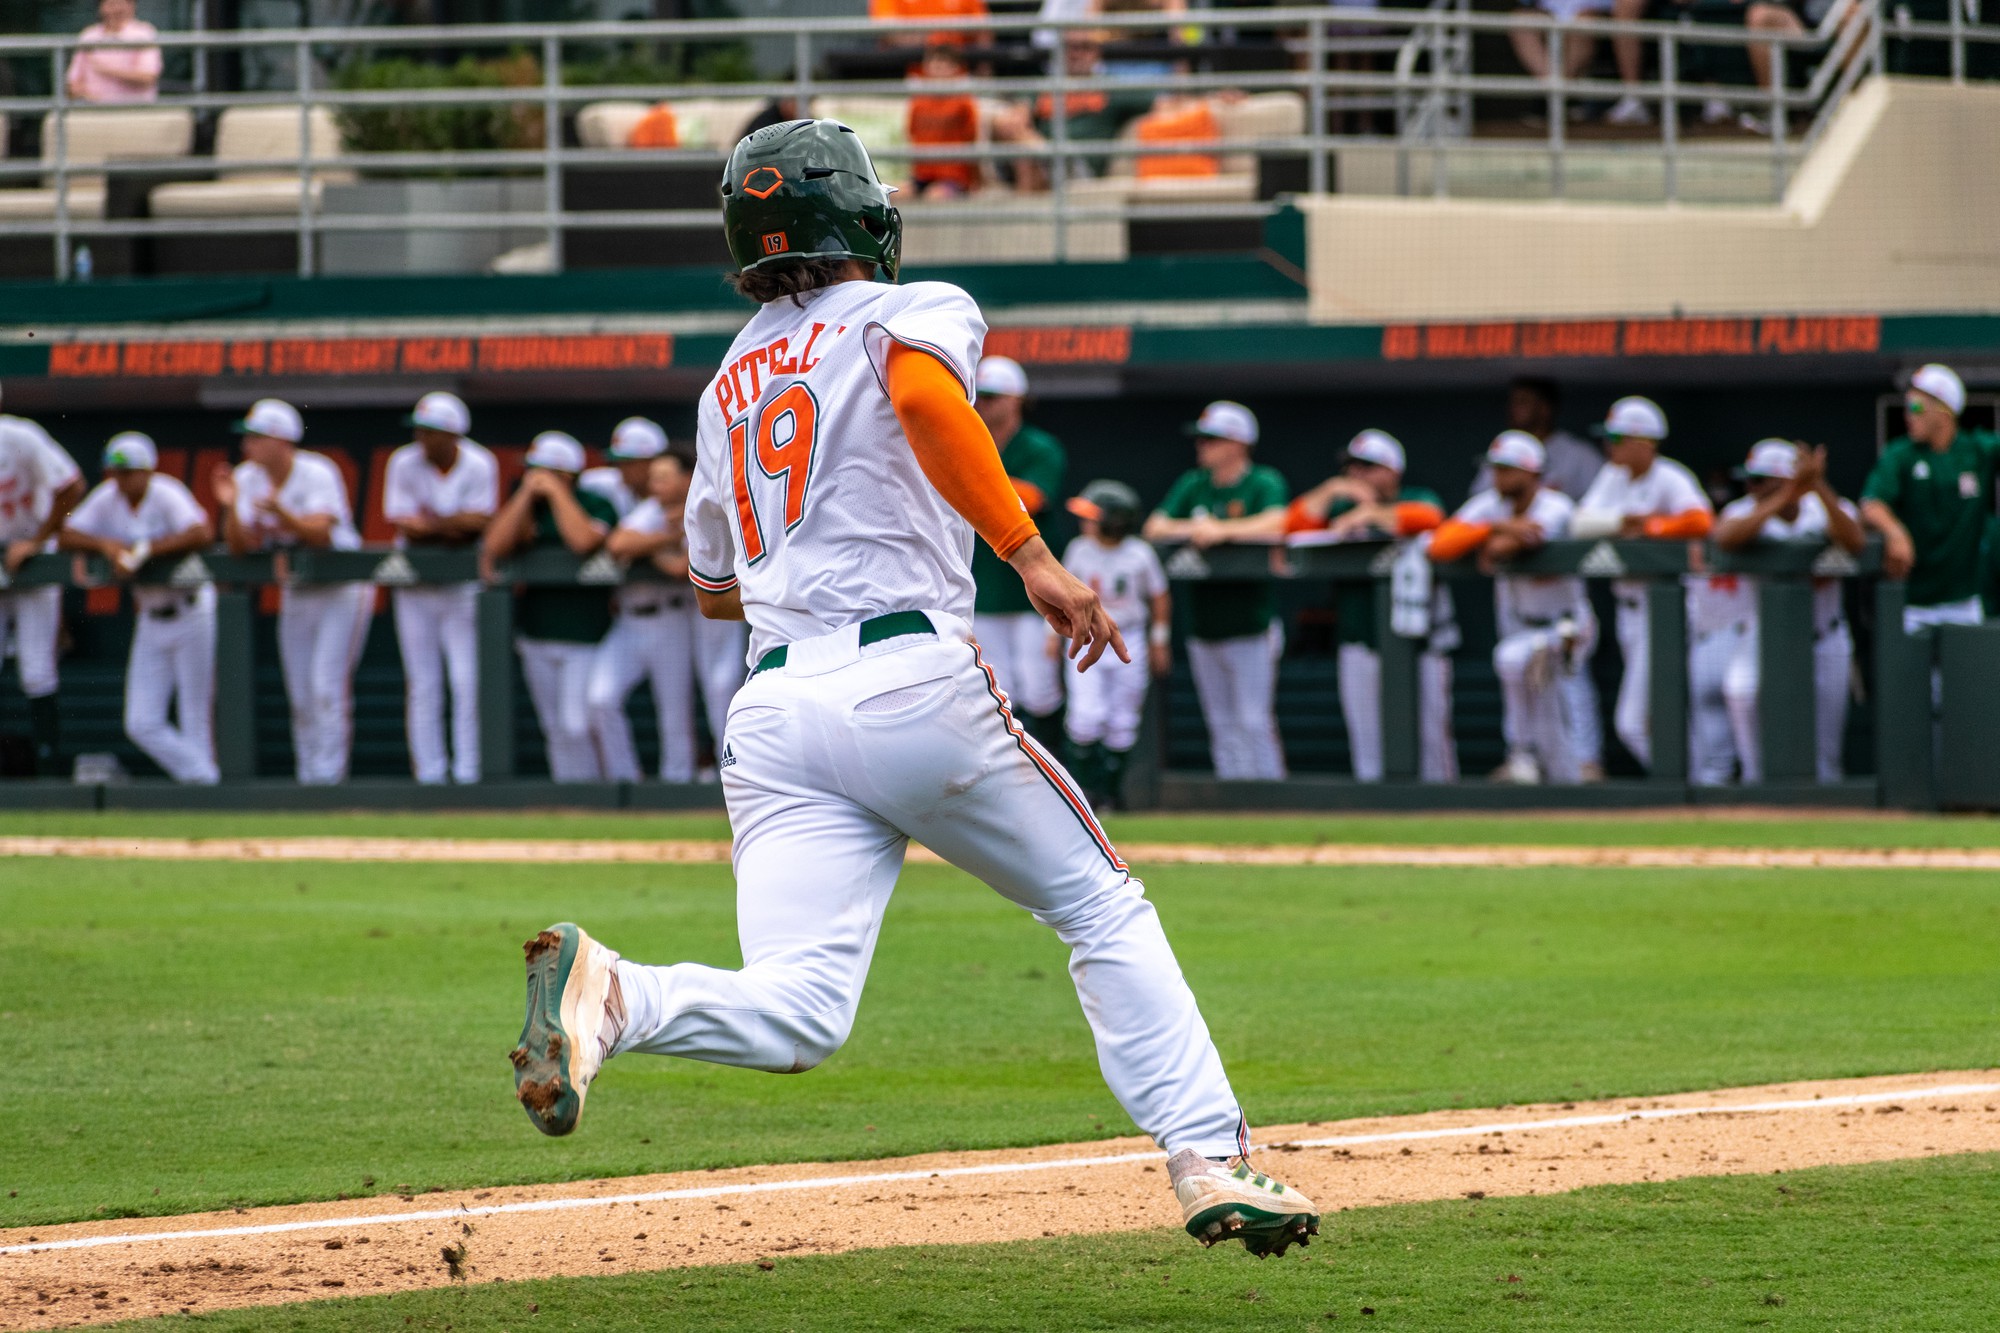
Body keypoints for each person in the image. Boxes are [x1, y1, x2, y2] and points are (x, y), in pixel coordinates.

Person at [509, 118, 1317, 1259]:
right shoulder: (911, 306)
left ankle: (619, 996)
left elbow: (710, 586)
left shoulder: (728, 379)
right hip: (905, 679)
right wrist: (1028, 553)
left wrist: (813, 574)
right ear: (861, 217)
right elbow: (931, 404)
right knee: (1098, 908)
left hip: (774, 709)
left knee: (798, 1011)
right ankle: (1207, 1152)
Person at [1272, 429, 1454, 784]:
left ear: (1393, 471)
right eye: (1352, 467)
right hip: (1358, 635)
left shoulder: (1416, 495)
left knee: (1432, 736)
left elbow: (1432, 518)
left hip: (1420, 640)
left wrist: (1373, 514)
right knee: (1366, 736)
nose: (1358, 475)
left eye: (1368, 467)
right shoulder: (1340, 507)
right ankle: (1379, 821)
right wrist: (1330, 491)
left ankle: (1443, 815)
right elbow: (1293, 526)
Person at [214, 398, 369, 786]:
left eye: (257, 437)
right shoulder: (248, 477)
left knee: (326, 688)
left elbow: (321, 532)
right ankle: (309, 780)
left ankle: (329, 782)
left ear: (282, 440)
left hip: (340, 588)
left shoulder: (317, 471)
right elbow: (237, 546)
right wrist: (231, 506)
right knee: (300, 693)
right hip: (298, 592)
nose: (248, 445)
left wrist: (282, 515)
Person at [1698, 439, 1865, 786]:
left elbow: (1855, 542)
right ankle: (1757, 784)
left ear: (1783, 478)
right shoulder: (1743, 509)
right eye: (1750, 480)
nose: (1750, 487)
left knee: (1825, 756)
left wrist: (1816, 484)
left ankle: (1830, 823)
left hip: (1823, 634)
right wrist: (1781, 498)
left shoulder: (1823, 507)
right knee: (1741, 691)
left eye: (1759, 480)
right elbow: (1725, 538)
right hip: (1763, 632)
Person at [1432, 432, 1595, 784]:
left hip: (1566, 623)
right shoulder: (1491, 505)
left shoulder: (1556, 506)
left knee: (1546, 686)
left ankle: (1561, 765)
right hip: (1522, 621)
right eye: (1495, 469)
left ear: (1532, 472)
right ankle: (1534, 764)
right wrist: (1495, 525)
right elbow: (1441, 544)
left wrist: (1491, 537)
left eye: (1507, 469)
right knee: (1527, 682)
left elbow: (1508, 549)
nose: (1498, 477)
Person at [1142, 400, 1290, 781]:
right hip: (1203, 625)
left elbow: (1279, 521)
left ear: (1238, 444)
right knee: (1221, 723)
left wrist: (1223, 531)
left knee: (1254, 721)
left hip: (1251, 624)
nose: (1202, 446)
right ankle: (1234, 804)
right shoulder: (1194, 483)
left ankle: (1269, 799)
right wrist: (1194, 531)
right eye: (1202, 439)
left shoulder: (1263, 481)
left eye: (1212, 439)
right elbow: (1155, 527)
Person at [58, 433, 218, 784]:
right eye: (115, 472)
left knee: (195, 714)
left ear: (147, 470)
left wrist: (146, 551)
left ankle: (205, 792)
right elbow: (66, 536)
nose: (120, 479)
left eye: (128, 472)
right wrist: (106, 544)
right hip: (150, 614)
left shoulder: (166, 492)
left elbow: (200, 533)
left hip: (191, 608)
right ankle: (206, 781)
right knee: (141, 722)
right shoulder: (108, 498)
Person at [1471, 377, 1606, 779]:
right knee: (1523, 678)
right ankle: (1527, 759)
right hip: (1516, 601)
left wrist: (1498, 532)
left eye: (1525, 402)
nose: (1516, 409)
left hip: (1563, 599)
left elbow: (1580, 521)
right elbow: (1461, 528)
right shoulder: (1493, 493)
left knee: (1569, 685)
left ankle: (1585, 761)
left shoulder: (1573, 466)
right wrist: (1498, 529)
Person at [1571, 396, 1712, 771]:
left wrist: (1653, 527)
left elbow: (1700, 521)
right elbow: (1579, 524)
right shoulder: (1611, 475)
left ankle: (1691, 784)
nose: (1609, 446)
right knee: (1659, 713)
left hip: (1664, 607)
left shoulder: (1670, 476)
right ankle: (1699, 786)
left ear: (1644, 442)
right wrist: (1625, 521)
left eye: (1618, 439)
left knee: (1633, 722)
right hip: (1628, 608)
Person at [481, 432, 619, 783]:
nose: (533, 477)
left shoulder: (594, 502)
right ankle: (570, 797)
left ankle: (593, 792)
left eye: (541, 471)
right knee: (555, 727)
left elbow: (584, 541)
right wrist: (526, 494)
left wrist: (558, 492)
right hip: (536, 630)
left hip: (585, 632)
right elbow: (496, 545)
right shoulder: (526, 505)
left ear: (566, 474)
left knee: (577, 723)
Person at [381, 392, 497, 786]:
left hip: (462, 588)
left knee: (466, 681)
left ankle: (468, 774)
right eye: (420, 430)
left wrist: (438, 525)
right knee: (423, 685)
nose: (422, 438)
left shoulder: (479, 461)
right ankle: (429, 776)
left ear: (453, 434)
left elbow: (480, 523)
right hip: (416, 587)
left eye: (431, 431)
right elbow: (405, 524)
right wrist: (451, 526)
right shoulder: (404, 461)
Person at [589, 448, 705, 783]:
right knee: (600, 698)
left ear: (686, 479)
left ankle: (678, 787)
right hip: (629, 621)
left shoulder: (701, 508)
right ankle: (624, 780)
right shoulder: (652, 511)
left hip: (672, 619)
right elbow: (619, 544)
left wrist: (652, 547)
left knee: (674, 715)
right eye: (653, 478)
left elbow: (679, 568)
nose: (655, 485)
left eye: (663, 478)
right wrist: (667, 539)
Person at [970, 355, 1068, 746]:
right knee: (999, 690)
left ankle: (1061, 768)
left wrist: (969, 478)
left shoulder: (1038, 447)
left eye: (994, 397)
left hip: (1032, 591)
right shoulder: (967, 438)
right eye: (981, 396)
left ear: (1017, 399)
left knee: (1040, 688)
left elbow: (1031, 495)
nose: (984, 404)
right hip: (984, 586)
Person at [1861, 363, 2000, 633]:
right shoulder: (1901, 454)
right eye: (1907, 408)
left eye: (1916, 407)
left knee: (1965, 675)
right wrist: (1894, 531)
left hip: (1964, 603)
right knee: (1909, 674)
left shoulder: (1977, 450)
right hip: (1913, 604)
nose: (1908, 416)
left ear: (1944, 411)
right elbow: (1872, 504)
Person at [1059, 479, 1170, 811]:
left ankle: (1109, 795)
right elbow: (1061, 591)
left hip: (1129, 637)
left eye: (1093, 515)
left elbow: (1160, 596)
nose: (1086, 521)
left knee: (1123, 721)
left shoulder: (1140, 552)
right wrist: (1054, 637)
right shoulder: (1079, 548)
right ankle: (1083, 794)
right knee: (1085, 716)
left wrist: (1159, 639)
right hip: (1088, 635)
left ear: (1114, 520)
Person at [0, 390, 84, 777]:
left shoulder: (21, 437)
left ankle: (48, 776)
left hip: (31, 555)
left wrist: (38, 540)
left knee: (36, 669)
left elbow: (72, 487)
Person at [65, 0, 162, 105]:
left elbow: (147, 78)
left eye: (121, 4)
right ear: (101, 7)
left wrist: (106, 69)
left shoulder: (144, 33)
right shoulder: (88, 36)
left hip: (135, 109)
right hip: (93, 109)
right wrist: (83, 93)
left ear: (132, 6)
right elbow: (72, 83)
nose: (116, 9)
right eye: (110, 4)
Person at [1510, 0, 1610, 86]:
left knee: (1584, 22)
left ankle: (1560, 91)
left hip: (1593, 10)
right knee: (1521, 20)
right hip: (1548, 12)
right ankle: (1552, 85)